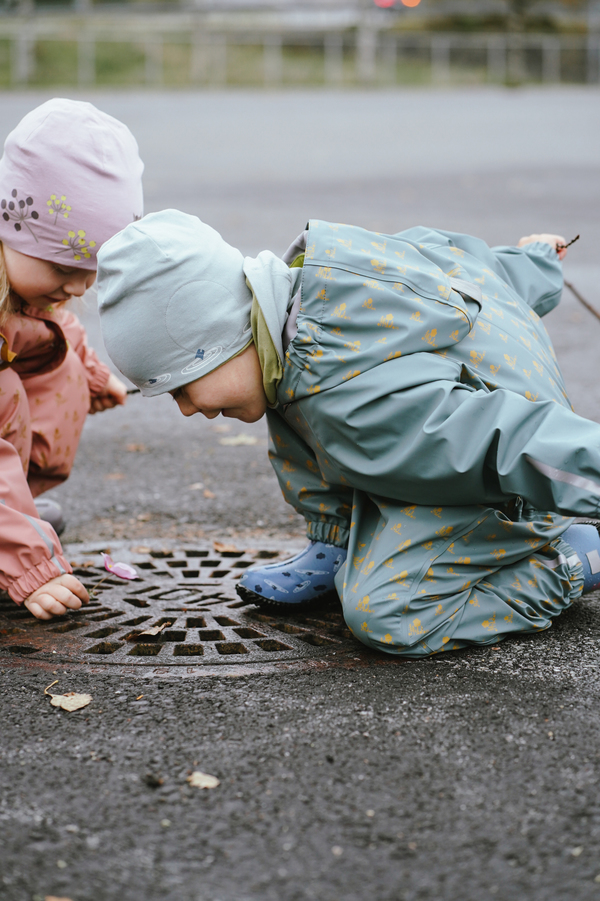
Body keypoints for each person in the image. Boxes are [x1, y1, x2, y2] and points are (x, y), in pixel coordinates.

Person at [97, 209, 600, 658]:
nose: (185, 410)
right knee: (285, 394)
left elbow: (509, 440)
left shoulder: (370, 400)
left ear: (219, 338)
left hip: (512, 489)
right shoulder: (313, 307)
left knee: (388, 614)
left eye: (180, 387)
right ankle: (336, 543)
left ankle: (572, 560)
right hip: (442, 452)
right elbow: (476, 271)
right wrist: (536, 260)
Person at [0, 98, 144, 620]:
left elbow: (54, 331)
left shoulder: (25, 291)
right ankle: (14, 539)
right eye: (65, 264)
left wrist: (89, 373)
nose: (82, 284)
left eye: (94, 269)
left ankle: (15, 522)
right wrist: (30, 568)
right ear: (12, 228)